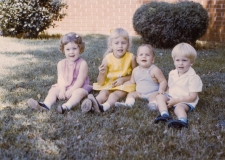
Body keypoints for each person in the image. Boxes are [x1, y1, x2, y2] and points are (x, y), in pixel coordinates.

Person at [27, 32, 92, 114]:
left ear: (80, 49)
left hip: (79, 86)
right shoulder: (60, 63)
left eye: (74, 48)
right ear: (63, 50)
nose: (71, 52)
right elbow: (60, 78)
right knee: (53, 91)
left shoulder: (83, 63)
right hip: (65, 85)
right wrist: (62, 90)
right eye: (68, 49)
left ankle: (66, 106)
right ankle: (46, 105)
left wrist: (72, 89)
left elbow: (80, 80)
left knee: (78, 93)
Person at [81, 28, 137, 113]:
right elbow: (100, 82)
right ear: (111, 45)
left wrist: (123, 79)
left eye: (123, 43)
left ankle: (104, 107)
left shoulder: (131, 58)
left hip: (124, 85)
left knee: (114, 95)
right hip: (110, 83)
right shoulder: (107, 59)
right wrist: (101, 73)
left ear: (128, 44)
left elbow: (136, 74)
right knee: (103, 94)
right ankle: (92, 104)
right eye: (116, 43)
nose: (120, 46)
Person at [154, 43, 203, 128]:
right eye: (177, 60)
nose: (180, 63)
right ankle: (164, 115)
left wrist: (176, 101)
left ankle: (182, 120)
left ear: (191, 62)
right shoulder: (172, 73)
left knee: (179, 108)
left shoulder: (193, 77)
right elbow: (170, 87)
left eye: (184, 60)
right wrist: (165, 93)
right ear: (174, 61)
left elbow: (192, 97)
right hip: (172, 96)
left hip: (186, 100)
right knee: (159, 97)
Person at [115, 44, 167, 110]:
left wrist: (161, 89)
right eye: (141, 55)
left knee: (154, 97)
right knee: (131, 94)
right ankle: (128, 104)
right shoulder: (135, 70)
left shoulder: (154, 70)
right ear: (137, 59)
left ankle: (153, 104)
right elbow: (132, 82)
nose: (144, 56)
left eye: (147, 55)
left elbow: (163, 81)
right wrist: (122, 85)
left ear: (153, 59)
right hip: (139, 93)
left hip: (153, 92)